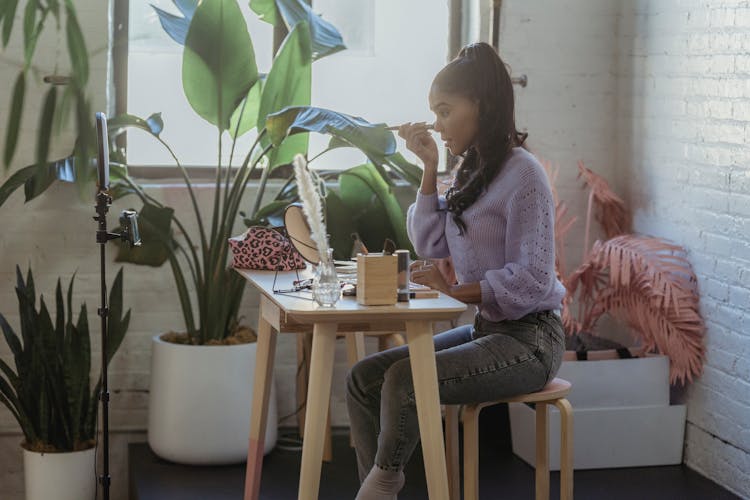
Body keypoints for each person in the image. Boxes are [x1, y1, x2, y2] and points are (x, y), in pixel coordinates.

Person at [345, 42, 566, 500]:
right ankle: (378, 487)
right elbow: (430, 241)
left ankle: (383, 483)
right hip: (490, 331)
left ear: (480, 106)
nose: (438, 125)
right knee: (364, 378)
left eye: (445, 111)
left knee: (406, 379)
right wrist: (428, 167)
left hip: (532, 340)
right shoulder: (471, 171)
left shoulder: (525, 176)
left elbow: (532, 280)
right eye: (434, 113)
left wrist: (456, 291)